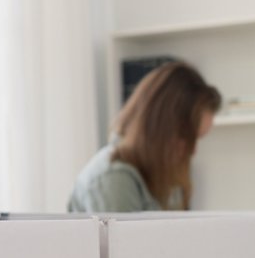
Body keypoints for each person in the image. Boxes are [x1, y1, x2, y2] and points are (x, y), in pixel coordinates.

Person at [68, 61, 221, 213]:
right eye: (187, 138)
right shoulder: (114, 179)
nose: (193, 151)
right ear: (160, 129)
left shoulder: (162, 172)